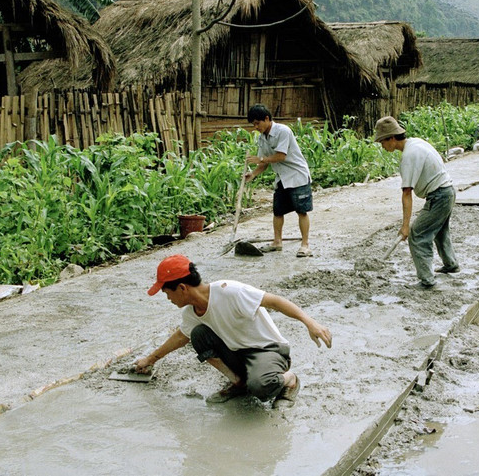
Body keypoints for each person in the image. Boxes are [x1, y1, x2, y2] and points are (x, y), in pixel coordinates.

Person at [134, 254, 332, 408]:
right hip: (238, 353)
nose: (168, 298)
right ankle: (239, 383)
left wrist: (310, 322)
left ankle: (289, 380)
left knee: (261, 387)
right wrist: (150, 360)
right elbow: (180, 337)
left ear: (182, 288)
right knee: (198, 335)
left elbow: (275, 301)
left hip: (267, 350)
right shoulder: (191, 313)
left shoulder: (230, 291)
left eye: (167, 292)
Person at [374, 116, 459, 289]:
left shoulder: (409, 156)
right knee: (440, 231)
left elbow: (407, 193)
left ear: (391, 138)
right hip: (447, 191)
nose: (382, 146)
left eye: (382, 141)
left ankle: (427, 280)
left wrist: (406, 226)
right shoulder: (416, 143)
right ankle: (451, 264)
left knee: (418, 234)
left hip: (440, 195)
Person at [245, 104, 314, 257]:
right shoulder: (262, 138)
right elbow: (263, 163)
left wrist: (260, 158)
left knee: (302, 211)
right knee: (278, 212)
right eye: (253, 124)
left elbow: (280, 156)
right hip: (282, 177)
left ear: (267, 119)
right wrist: (253, 174)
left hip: (297, 176)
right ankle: (277, 242)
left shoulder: (283, 131)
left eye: (258, 123)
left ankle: (305, 245)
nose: (256, 127)